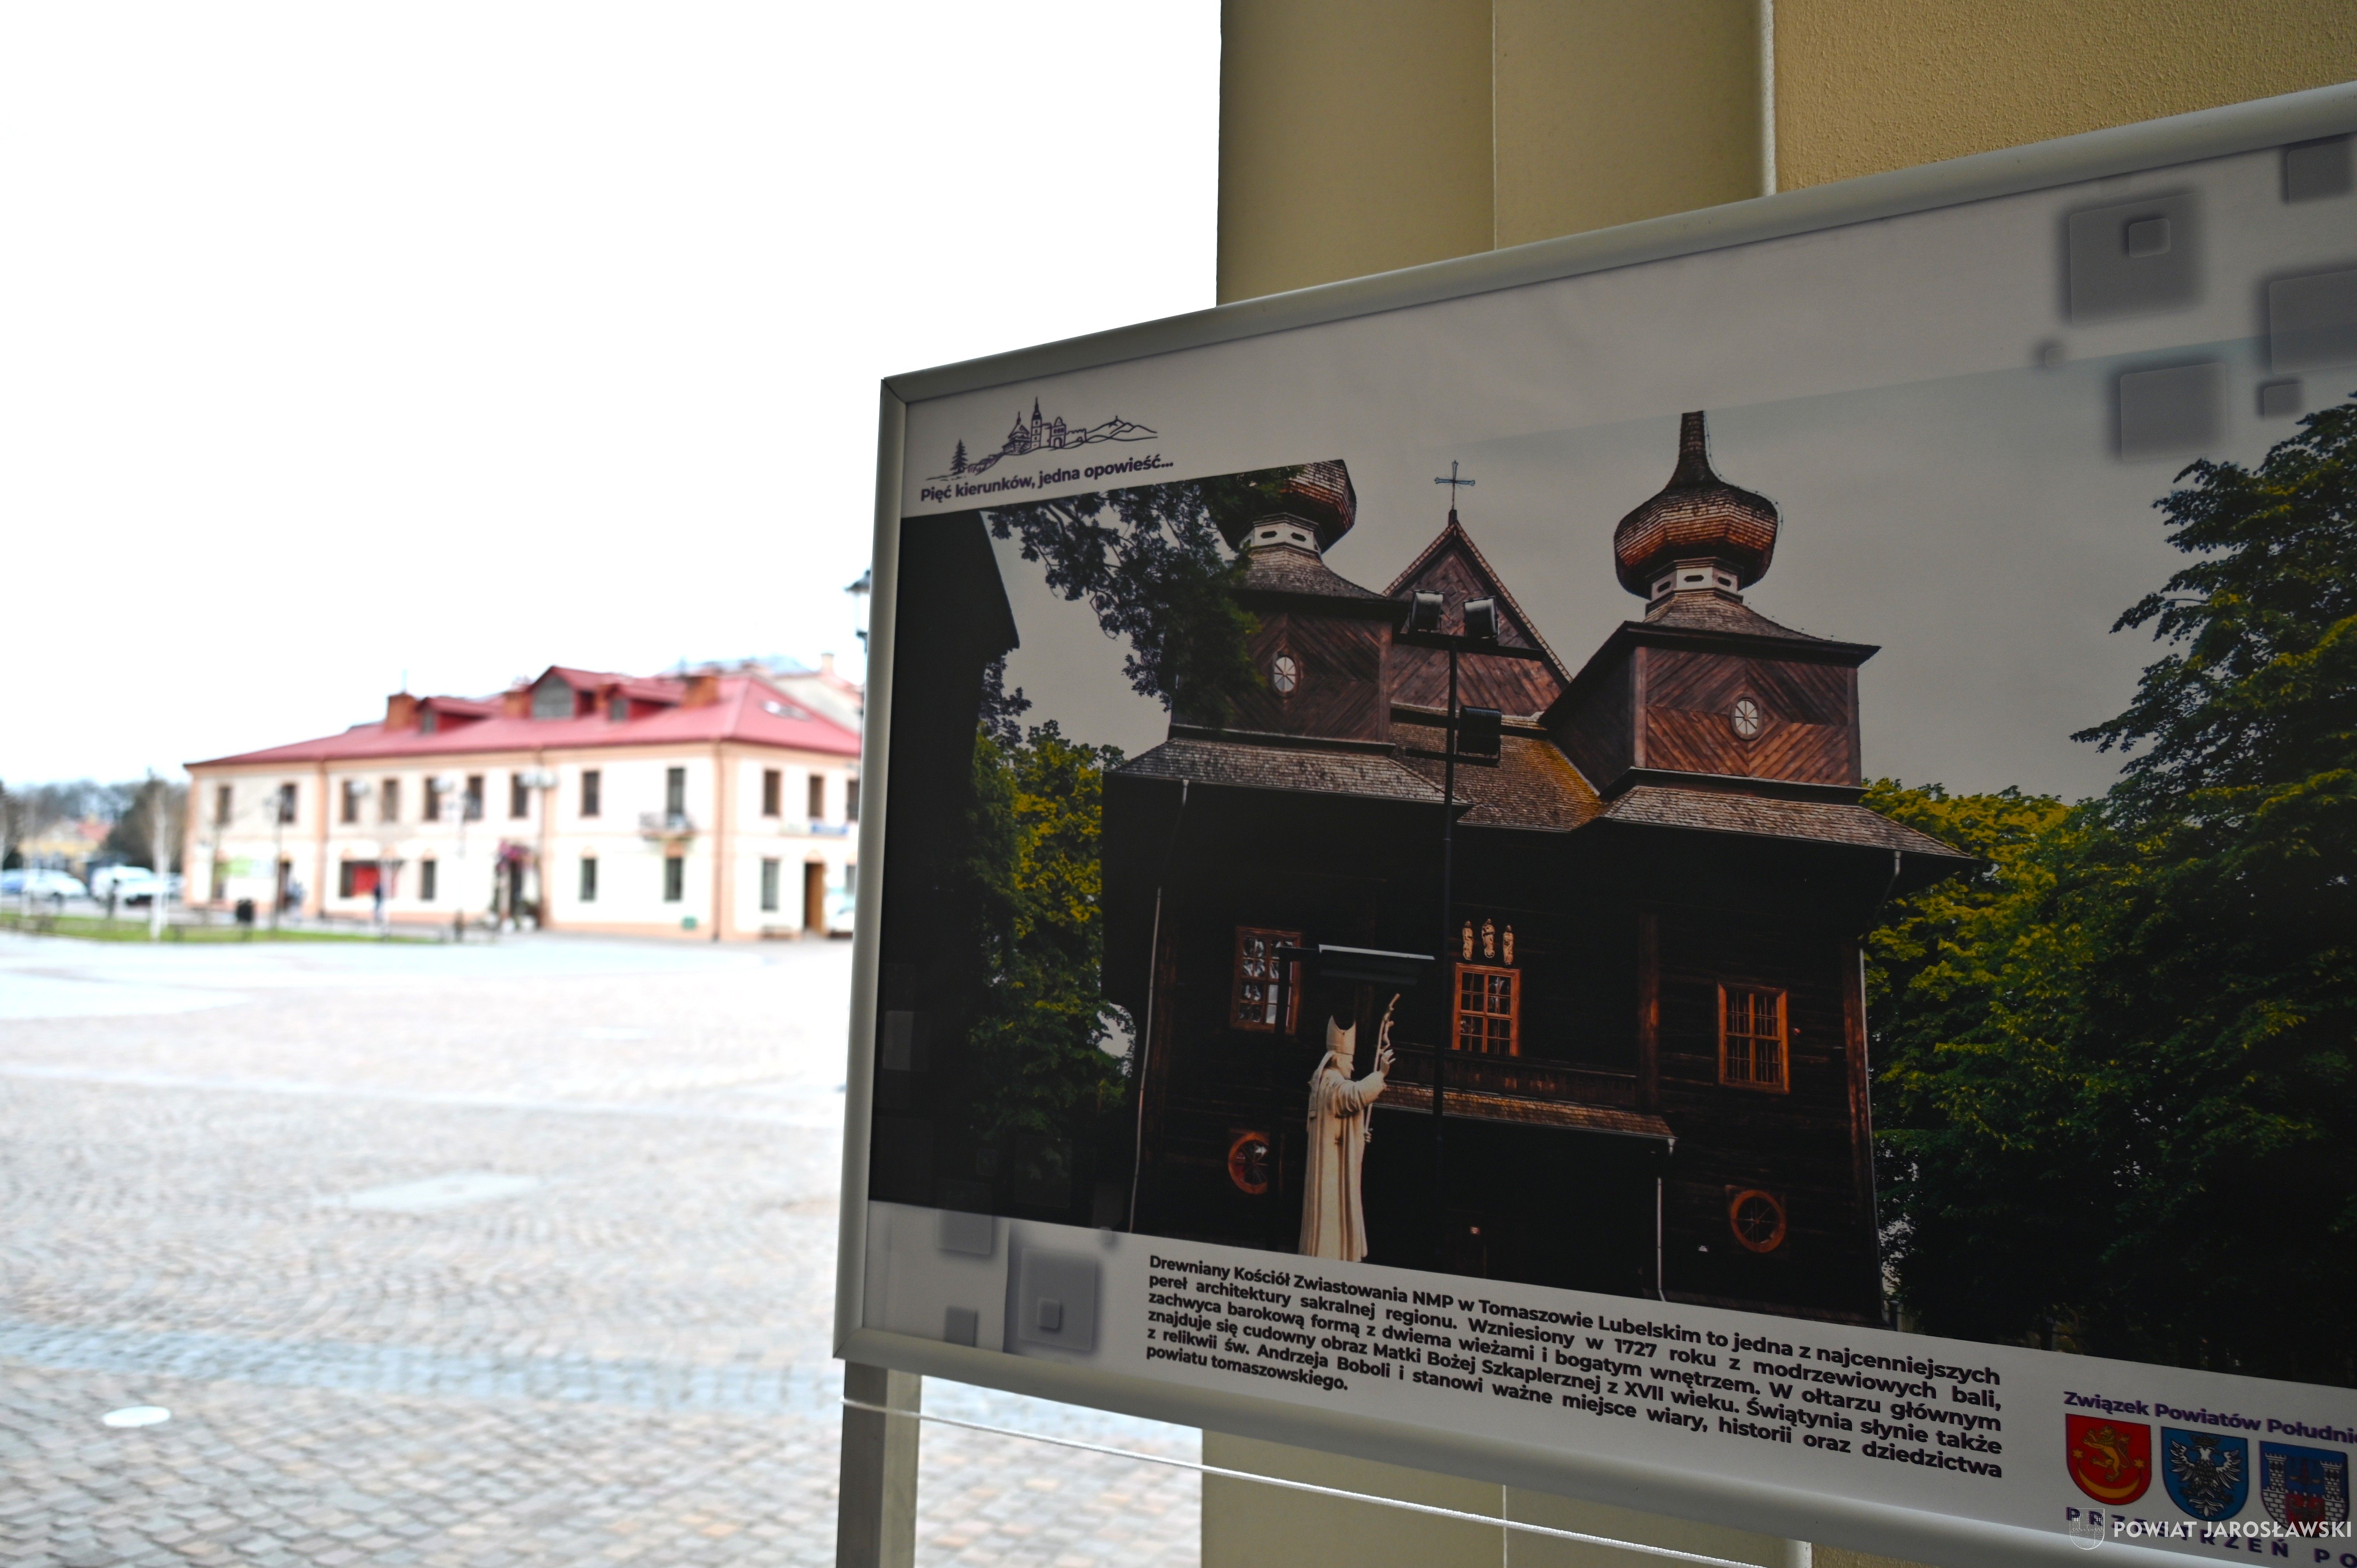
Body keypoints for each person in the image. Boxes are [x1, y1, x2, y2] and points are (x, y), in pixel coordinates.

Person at [1298, 993, 1397, 1261]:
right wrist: (1381, 1075)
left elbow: (1340, 1119)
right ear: (1338, 1058)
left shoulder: (1325, 1083)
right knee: (1333, 1222)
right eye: (1349, 1060)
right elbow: (1352, 1097)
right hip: (1331, 1175)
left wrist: (1357, 1136)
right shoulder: (1331, 1082)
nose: (1352, 1066)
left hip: (1333, 1165)